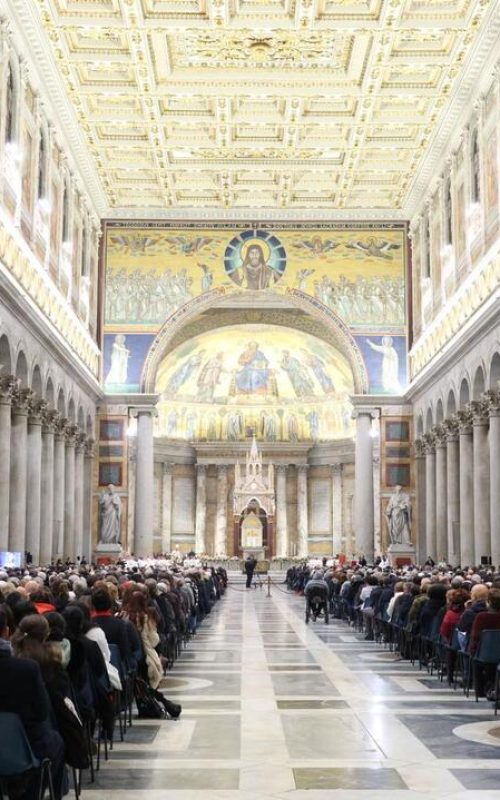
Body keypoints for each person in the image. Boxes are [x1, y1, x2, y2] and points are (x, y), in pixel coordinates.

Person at [0, 607, 67, 799]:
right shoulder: (28, 668)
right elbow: (41, 711)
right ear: (6, 630)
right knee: (56, 743)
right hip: (26, 742)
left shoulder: (23, 662)